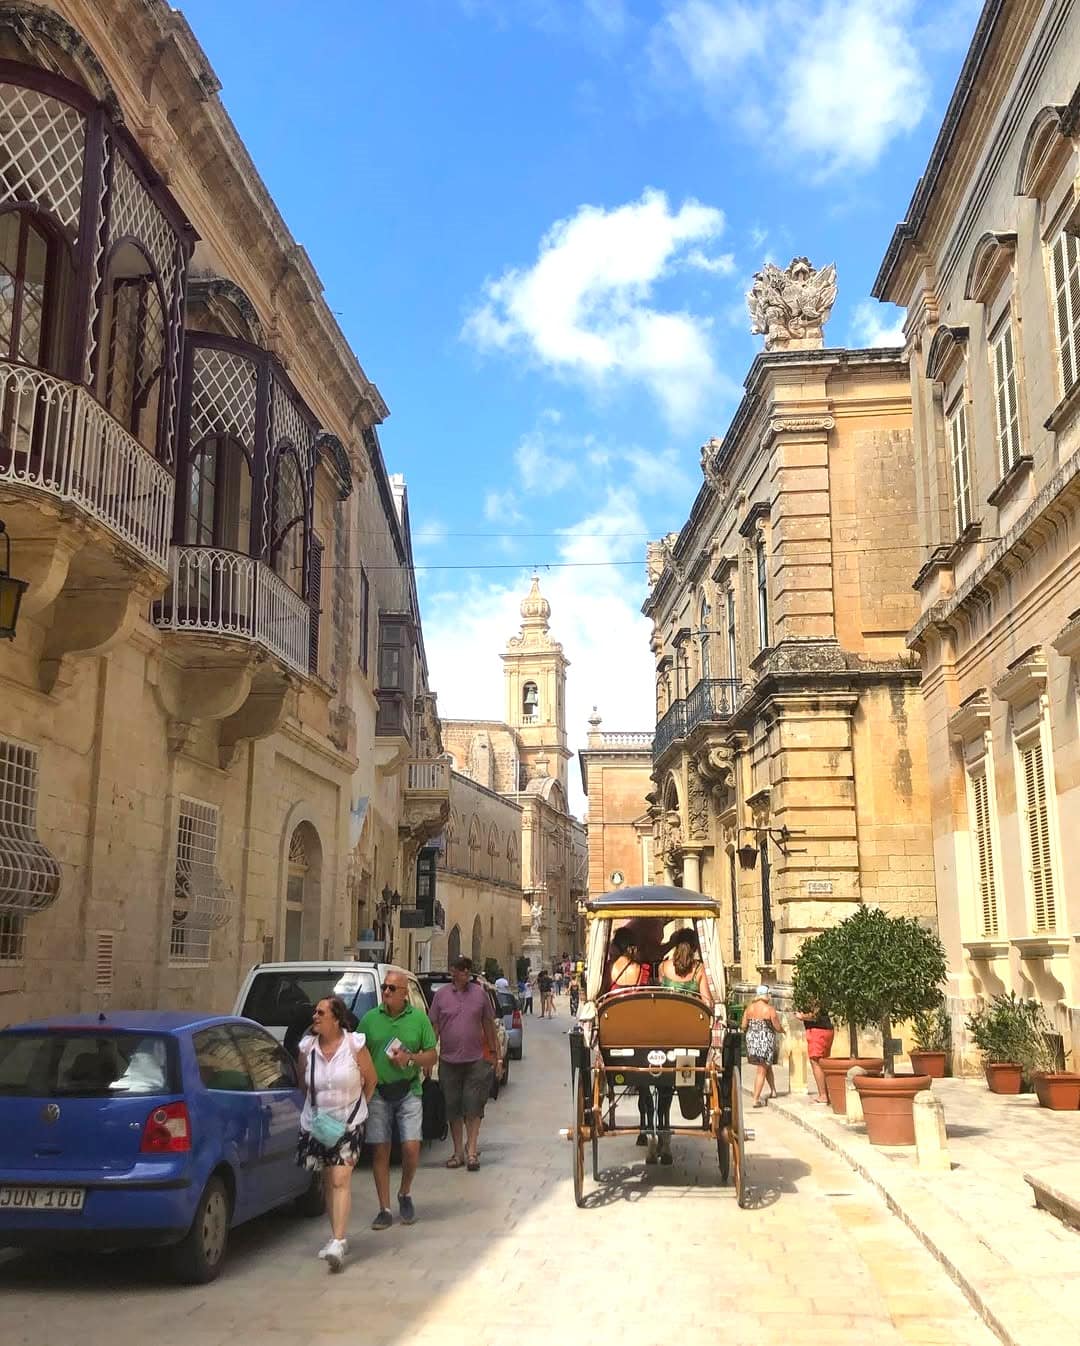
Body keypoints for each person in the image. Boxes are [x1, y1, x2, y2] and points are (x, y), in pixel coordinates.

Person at [297, 995, 378, 1271]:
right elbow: (303, 1085)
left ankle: (339, 1240)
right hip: (318, 1124)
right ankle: (336, 1236)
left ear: (336, 1018)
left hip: (350, 1123)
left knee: (341, 1176)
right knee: (330, 1178)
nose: (315, 1017)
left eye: (320, 1012)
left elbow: (372, 1079)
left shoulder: (355, 1045)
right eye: (314, 1013)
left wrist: (358, 1107)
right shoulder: (307, 1048)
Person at [358, 972, 438, 1231]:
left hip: (409, 1090)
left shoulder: (419, 1019)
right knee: (380, 1150)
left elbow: (432, 1055)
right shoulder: (370, 1019)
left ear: (405, 993)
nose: (387, 992)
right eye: (384, 987)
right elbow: (357, 1050)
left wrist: (411, 1059)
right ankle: (384, 1208)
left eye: (392, 988)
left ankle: (404, 1192)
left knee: (411, 1147)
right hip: (379, 1092)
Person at [429, 955, 501, 1171]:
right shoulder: (441, 996)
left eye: (468, 969)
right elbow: (434, 1028)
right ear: (452, 971)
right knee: (453, 1108)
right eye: (461, 969)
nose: (465, 972)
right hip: (449, 1061)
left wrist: (496, 1056)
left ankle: (471, 1152)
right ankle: (457, 1152)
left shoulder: (479, 994)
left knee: (474, 1106)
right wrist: (429, 1055)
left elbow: (489, 1025)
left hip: (476, 1060)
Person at [741, 985, 784, 1108]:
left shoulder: (749, 1009)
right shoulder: (769, 1009)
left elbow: (744, 1025)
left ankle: (773, 1090)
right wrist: (783, 1031)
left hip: (752, 1042)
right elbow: (776, 1026)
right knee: (761, 1070)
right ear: (766, 995)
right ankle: (755, 1099)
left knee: (766, 1066)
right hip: (764, 1041)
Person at [657, 929, 712, 1005]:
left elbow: (661, 993)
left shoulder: (663, 966)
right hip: (690, 1013)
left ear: (676, 945)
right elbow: (707, 1001)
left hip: (666, 1012)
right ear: (695, 947)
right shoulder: (699, 969)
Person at [796, 1002, 835, 1103]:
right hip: (825, 1030)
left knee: (815, 1061)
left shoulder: (813, 992)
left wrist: (802, 1016)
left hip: (818, 1031)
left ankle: (823, 1095)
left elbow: (815, 1015)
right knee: (821, 1062)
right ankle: (826, 1093)